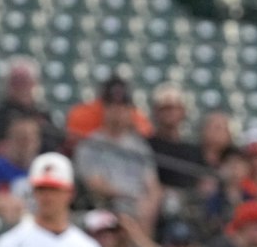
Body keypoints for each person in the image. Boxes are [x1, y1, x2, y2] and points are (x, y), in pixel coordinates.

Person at [72, 78, 162, 233]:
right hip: (108, 206)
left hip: (138, 208)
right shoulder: (90, 144)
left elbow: (153, 185)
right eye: (112, 106)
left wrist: (149, 204)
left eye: (123, 107)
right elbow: (95, 184)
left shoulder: (140, 146)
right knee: (121, 212)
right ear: (104, 109)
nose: (118, 112)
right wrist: (131, 197)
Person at [0, 58, 63, 159]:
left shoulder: (42, 114)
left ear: (34, 84)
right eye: (16, 82)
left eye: (25, 81)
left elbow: (55, 143)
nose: (21, 87)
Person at [147, 83, 207, 213]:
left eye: (174, 108)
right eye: (165, 108)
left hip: (190, 206)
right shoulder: (146, 145)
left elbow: (203, 182)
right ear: (156, 112)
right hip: (157, 206)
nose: (170, 113)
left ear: (183, 111)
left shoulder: (194, 149)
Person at [0, 116, 41, 226]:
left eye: (30, 139)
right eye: (21, 138)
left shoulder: (44, 169)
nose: (25, 144)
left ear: (37, 141)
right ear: (9, 140)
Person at [64, 75, 153, 147]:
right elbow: (73, 142)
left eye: (121, 106)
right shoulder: (83, 114)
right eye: (111, 105)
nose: (116, 110)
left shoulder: (135, 117)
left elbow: (146, 135)